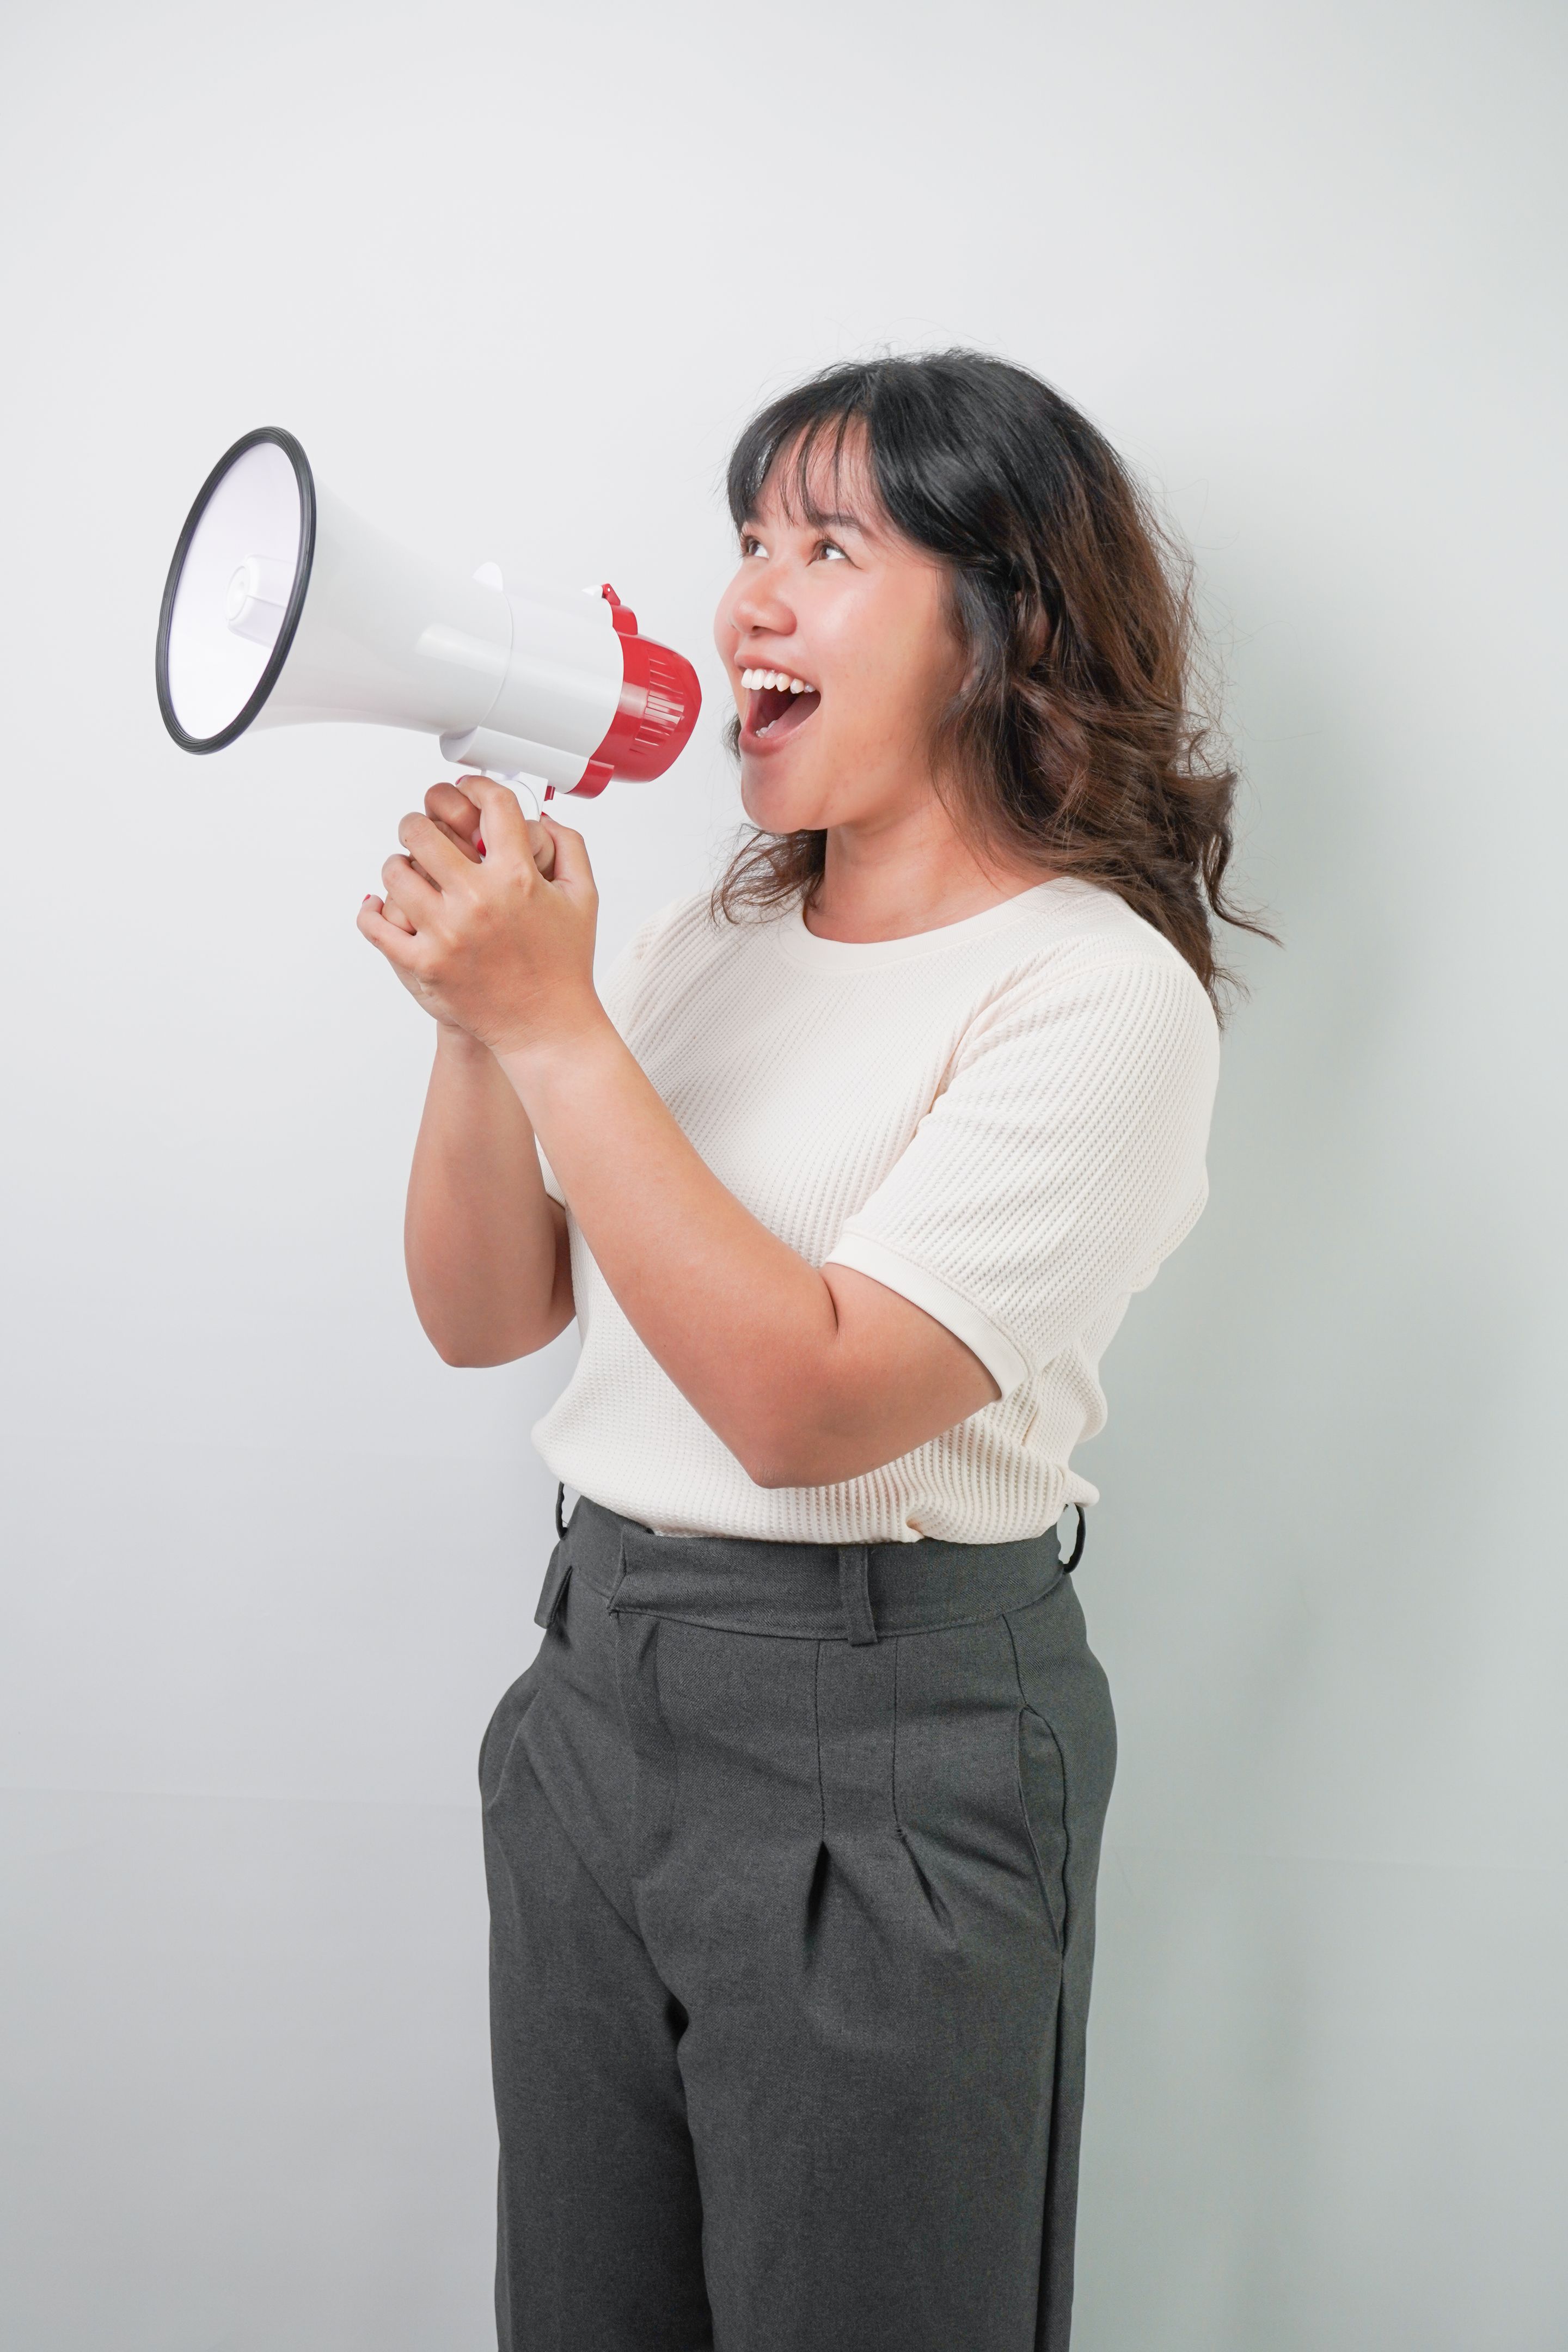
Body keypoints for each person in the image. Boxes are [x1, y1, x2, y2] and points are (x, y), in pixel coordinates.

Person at [358, 351, 1254, 2352]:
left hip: (893, 1732)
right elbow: (486, 1315)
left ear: (1001, 620)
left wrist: (559, 1028)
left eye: (829, 546)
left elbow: (810, 1405)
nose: (750, 597)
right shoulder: (708, 946)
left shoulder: (1096, 999)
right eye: (747, 541)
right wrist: (482, 1021)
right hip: (600, 1695)